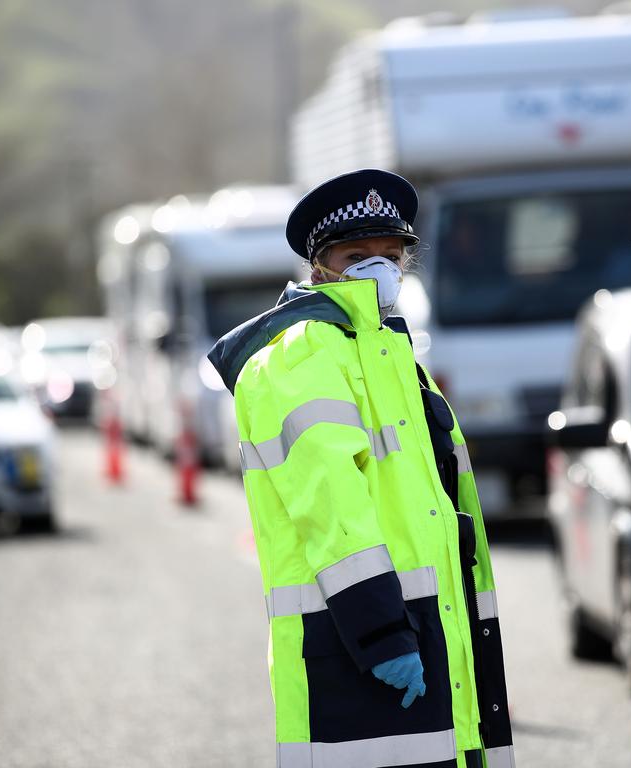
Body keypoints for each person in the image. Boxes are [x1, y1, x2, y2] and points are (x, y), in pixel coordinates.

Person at [208, 169, 514, 768]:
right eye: (357, 255)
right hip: (362, 642)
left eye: (391, 254)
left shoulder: (390, 352)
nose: (380, 268)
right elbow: (332, 509)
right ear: (319, 266)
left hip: (430, 633)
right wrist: (383, 637)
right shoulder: (298, 357)